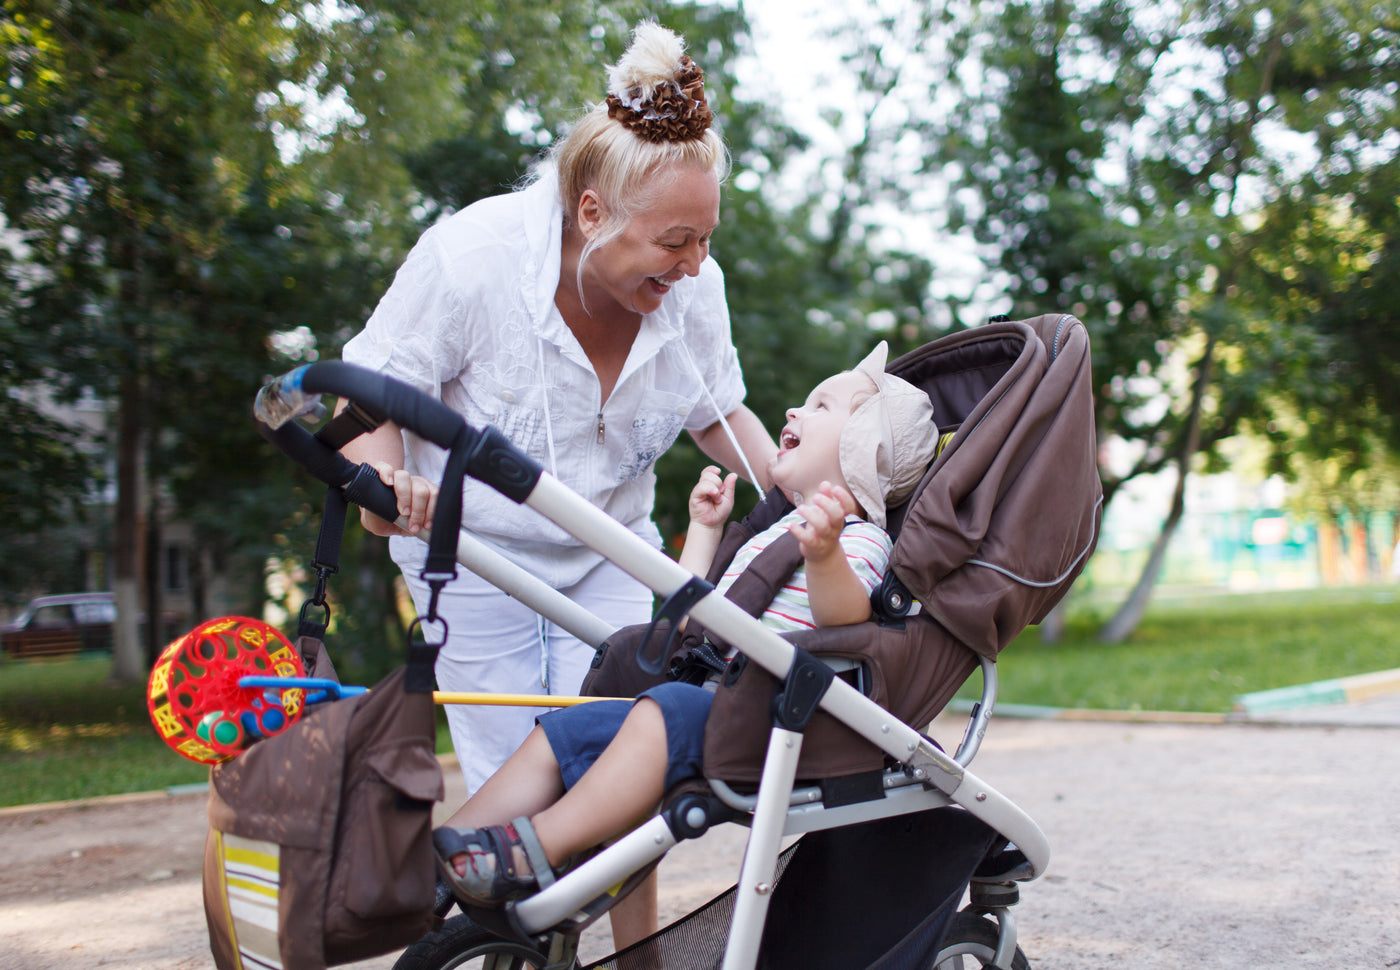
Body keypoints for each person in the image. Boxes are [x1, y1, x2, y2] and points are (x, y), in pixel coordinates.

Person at [336, 21, 777, 805]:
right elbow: (369, 388)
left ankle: (621, 928)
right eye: (677, 240)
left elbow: (719, 414)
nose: (697, 265)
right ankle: (513, 922)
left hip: (610, 544)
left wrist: (803, 492)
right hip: (474, 553)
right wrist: (383, 486)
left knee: (624, 760)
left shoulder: (691, 288)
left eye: (706, 239)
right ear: (592, 212)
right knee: (515, 775)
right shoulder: (474, 259)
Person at [430, 342, 941, 926]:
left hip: (776, 721)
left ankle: (535, 852)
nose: (795, 413)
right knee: (565, 728)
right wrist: (705, 532)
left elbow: (845, 623)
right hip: (713, 699)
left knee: (663, 707)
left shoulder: (858, 540)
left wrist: (824, 557)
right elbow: (700, 613)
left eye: (820, 406)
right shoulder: (777, 532)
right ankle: (442, 857)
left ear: (861, 451)